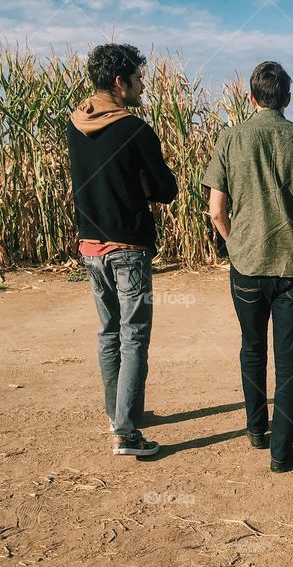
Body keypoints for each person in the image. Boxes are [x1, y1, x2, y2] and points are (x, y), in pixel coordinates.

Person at [203, 61, 293, 473]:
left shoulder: (230, 139)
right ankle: (282, 452)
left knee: (252, 348)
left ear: (251, 97)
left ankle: (256, 430)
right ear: (288, 99)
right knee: (290, 358)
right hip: (291, 267)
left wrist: (236, 244)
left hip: (246, 266)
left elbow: (216, 212)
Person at [67, 43, 177, 457]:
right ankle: (128, 434)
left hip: (90, 247)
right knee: (134, 336)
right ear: (120, 82)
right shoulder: (135, 130)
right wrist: (142, 185)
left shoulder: (74, 125)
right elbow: (167, 189)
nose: (142, 86)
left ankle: (118, 413)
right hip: (128, 247)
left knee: (108, 332)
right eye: (138, 79)